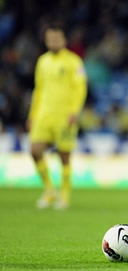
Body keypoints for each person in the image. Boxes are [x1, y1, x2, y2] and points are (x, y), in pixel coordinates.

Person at [27, 21, 88, 209]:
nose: (52, 42)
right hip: (44, 114)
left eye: (56, 38)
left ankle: (64, 195)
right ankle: (49, 190)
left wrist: (74, 111)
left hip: (64, 115)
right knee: (35, 151)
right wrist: (32, 114)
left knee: (64, 156)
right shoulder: (42, 61)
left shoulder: (74, 61)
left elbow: (80, 88)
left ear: (64, 40)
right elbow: (38, 89)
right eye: (49, 39)